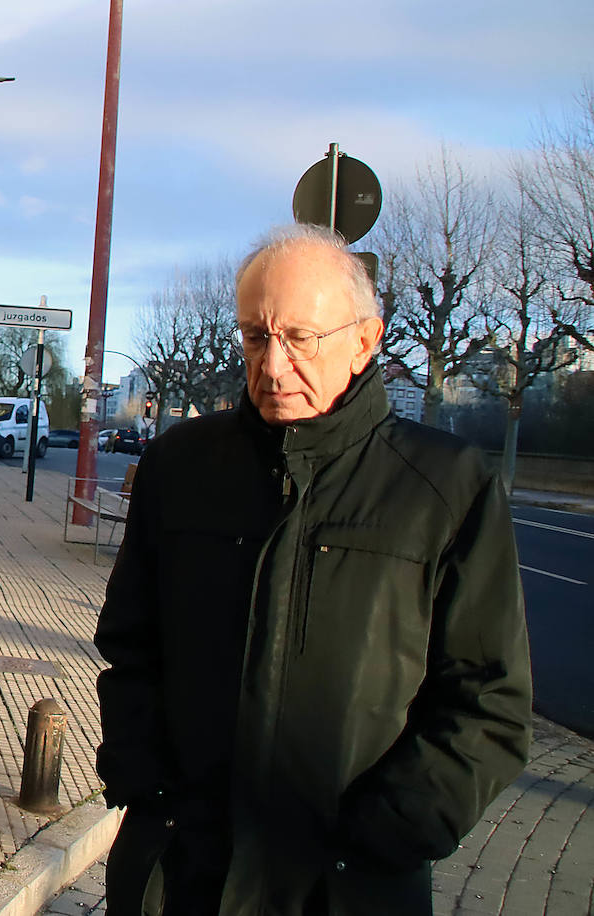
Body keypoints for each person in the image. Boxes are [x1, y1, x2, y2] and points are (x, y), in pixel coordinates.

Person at [93, 224, 532, 915]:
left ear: (365, 338)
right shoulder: (181, 466)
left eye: (301, 338)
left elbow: (488, 702)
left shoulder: (446, 487)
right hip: (179, 875)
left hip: (347, 887)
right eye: (255, 337)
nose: (271, 366)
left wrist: (387, 835)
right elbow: (130, 642)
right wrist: (146, 783)